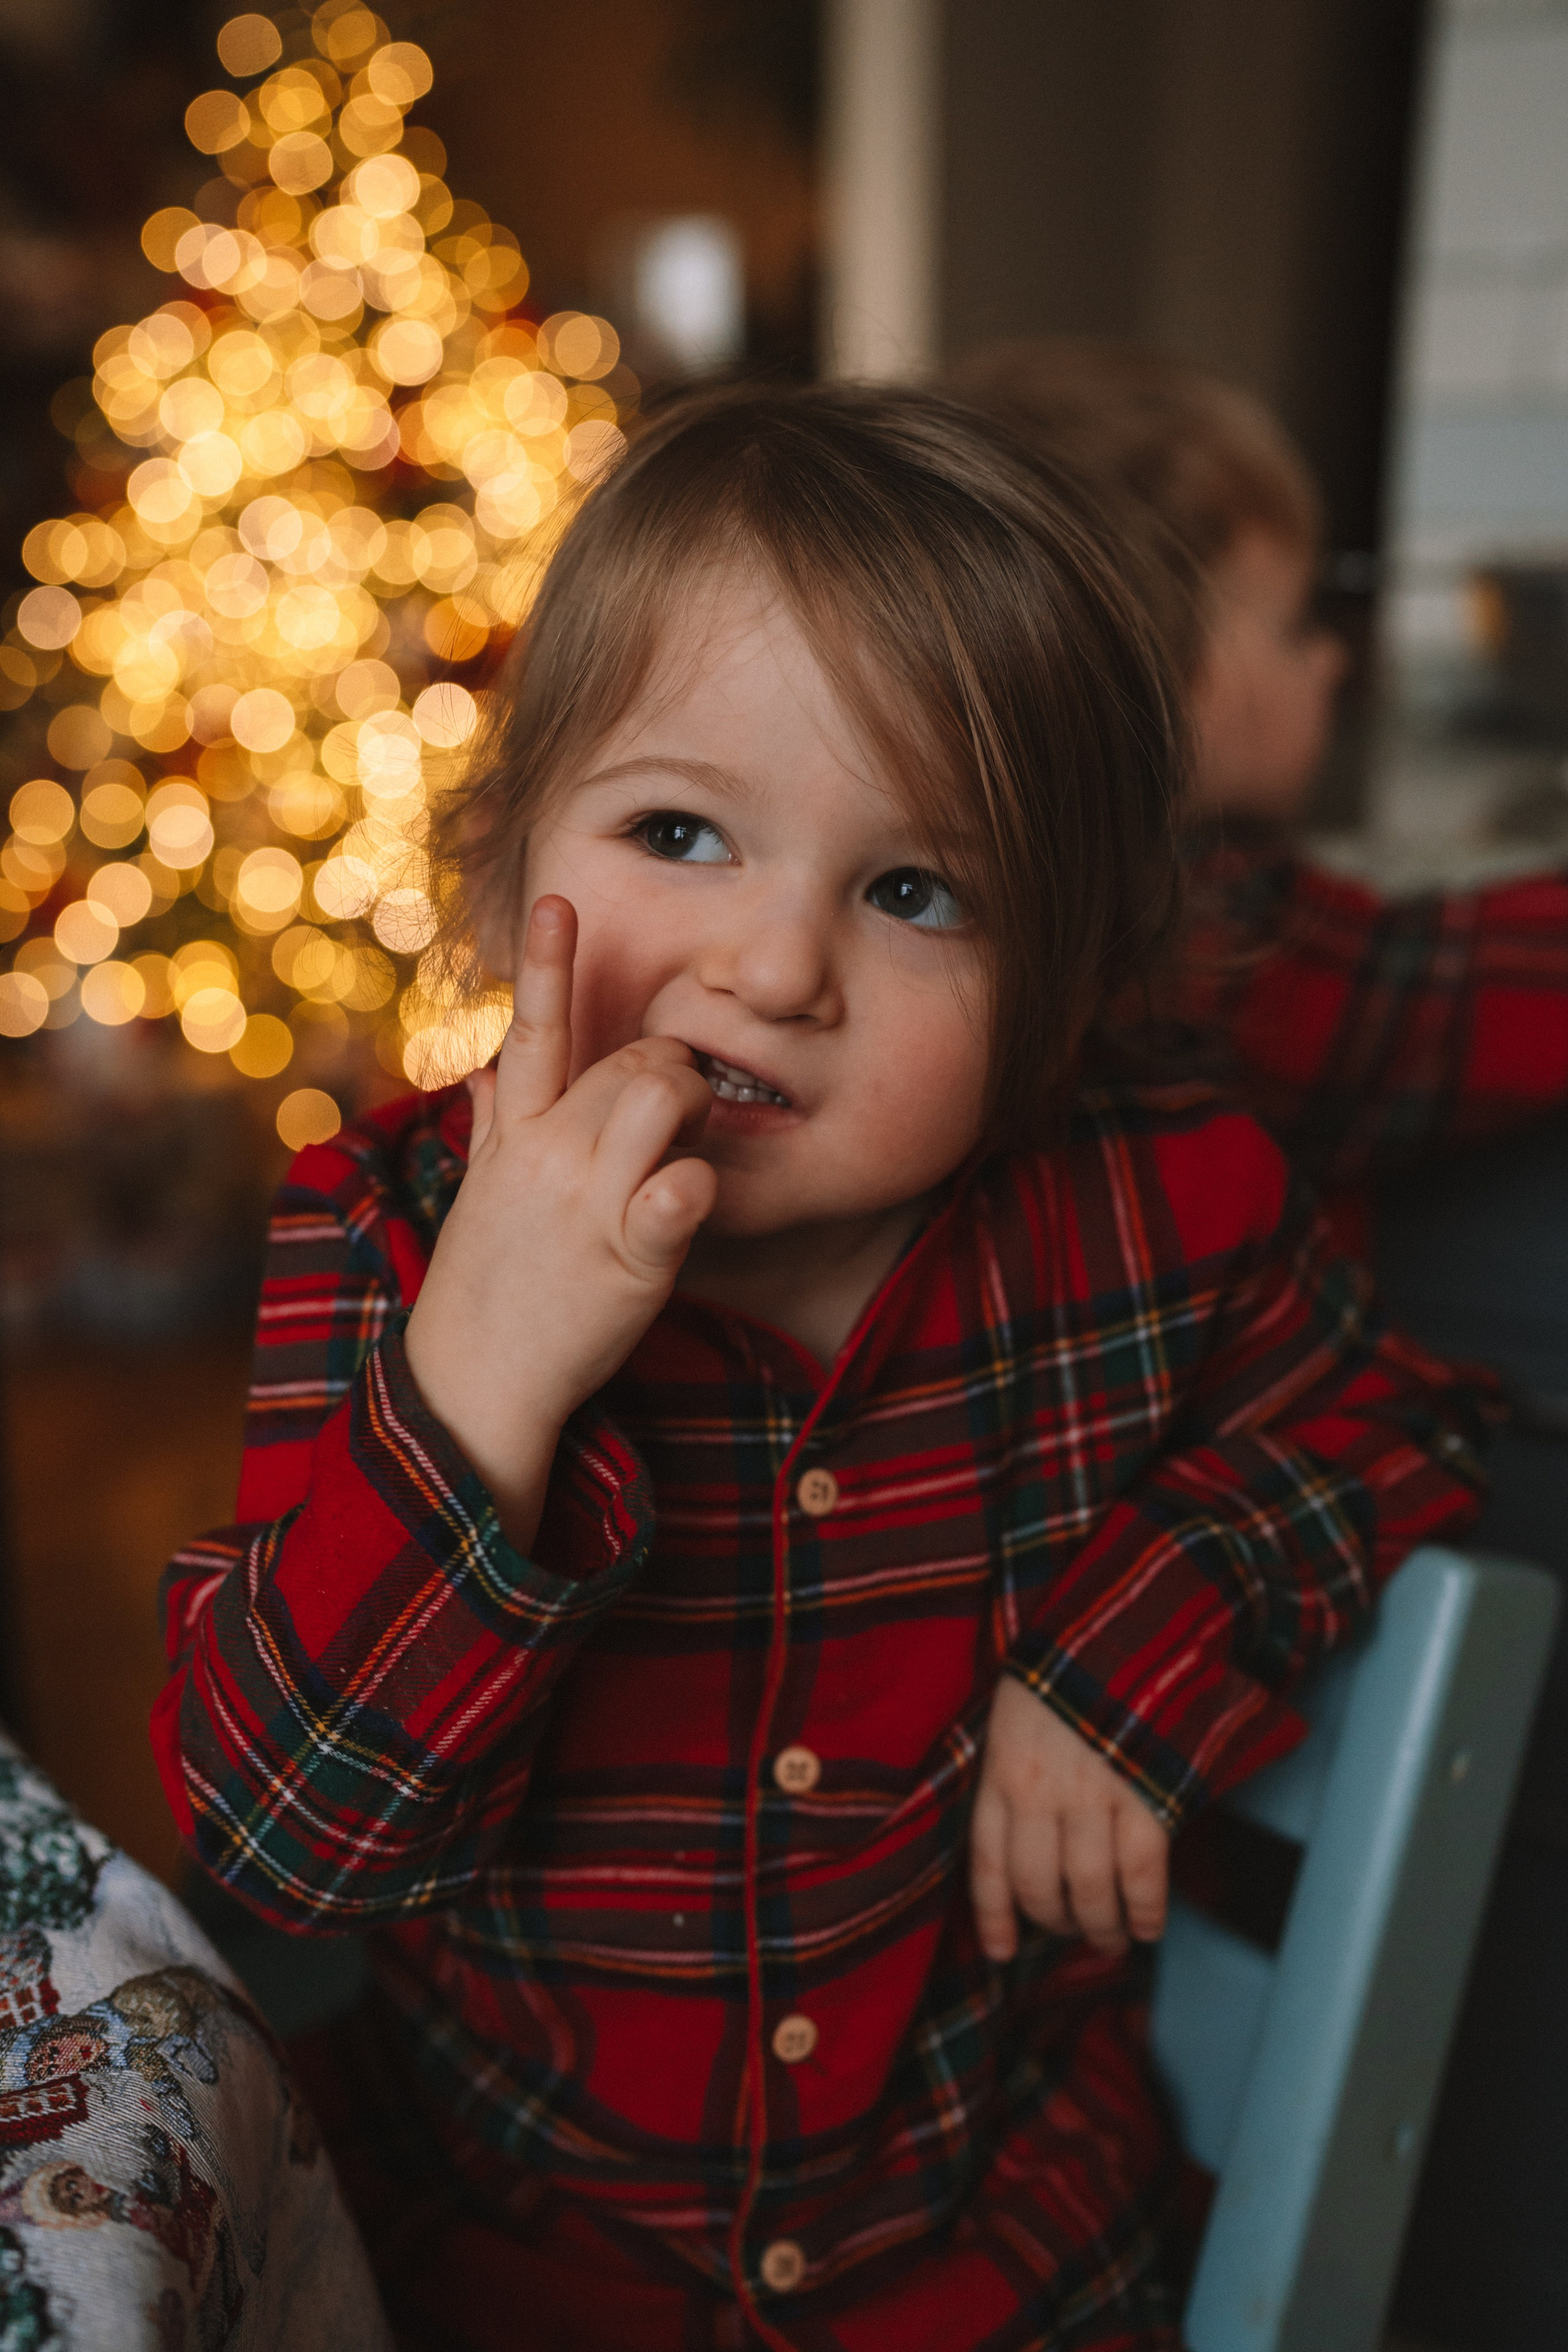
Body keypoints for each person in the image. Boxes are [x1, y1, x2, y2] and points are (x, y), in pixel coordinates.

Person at [153, 384, 1489, 2352]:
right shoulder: (399, 1229)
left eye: (914, 890)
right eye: (680, 831)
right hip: (508, 2268)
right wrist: (486, 1382)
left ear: (1061, 980)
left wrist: (1130, 1658)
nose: (779, 969)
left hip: (1004, 2260)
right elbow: (286, 1846)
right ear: (508, 846)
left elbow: (1397, 1424)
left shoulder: (1155, 1209)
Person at [948, 339, 1568, 1208]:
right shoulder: (1217, 938)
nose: (1328, 661)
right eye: (1293, 624)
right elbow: (1487, 986)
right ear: (1159, 674)